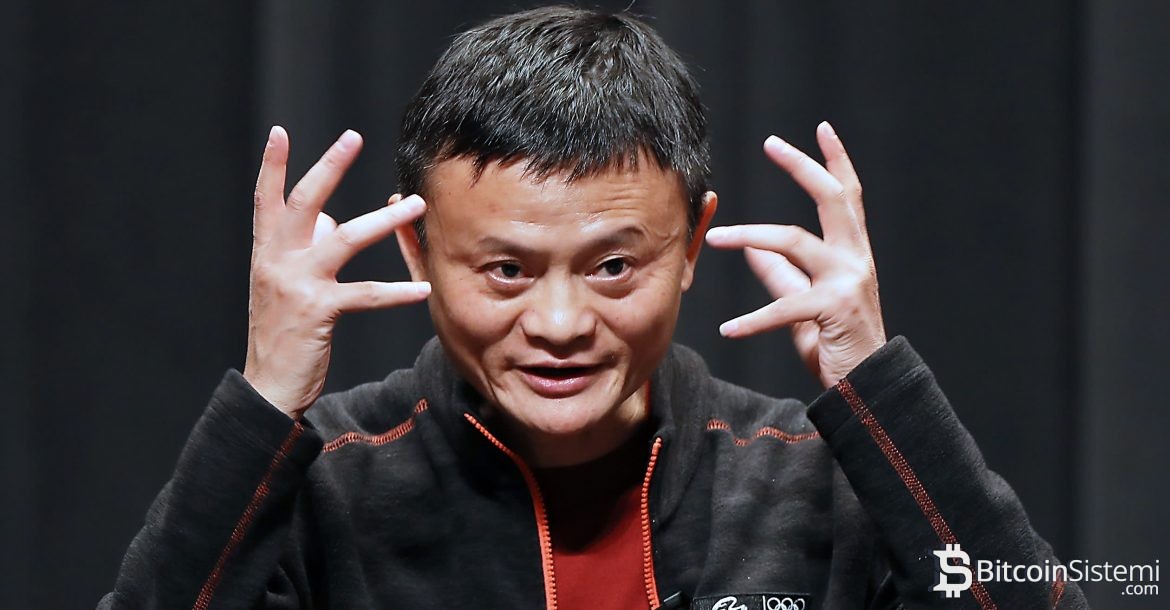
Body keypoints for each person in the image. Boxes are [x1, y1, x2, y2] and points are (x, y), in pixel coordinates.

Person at [101, 6, 1087, 609]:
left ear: (692, 246)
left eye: (614, 266)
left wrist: (879, 392)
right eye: (506, 271)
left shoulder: (817, 481)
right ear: (418, 251)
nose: (562, 324)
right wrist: (265, 402)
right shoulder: (321, 485)